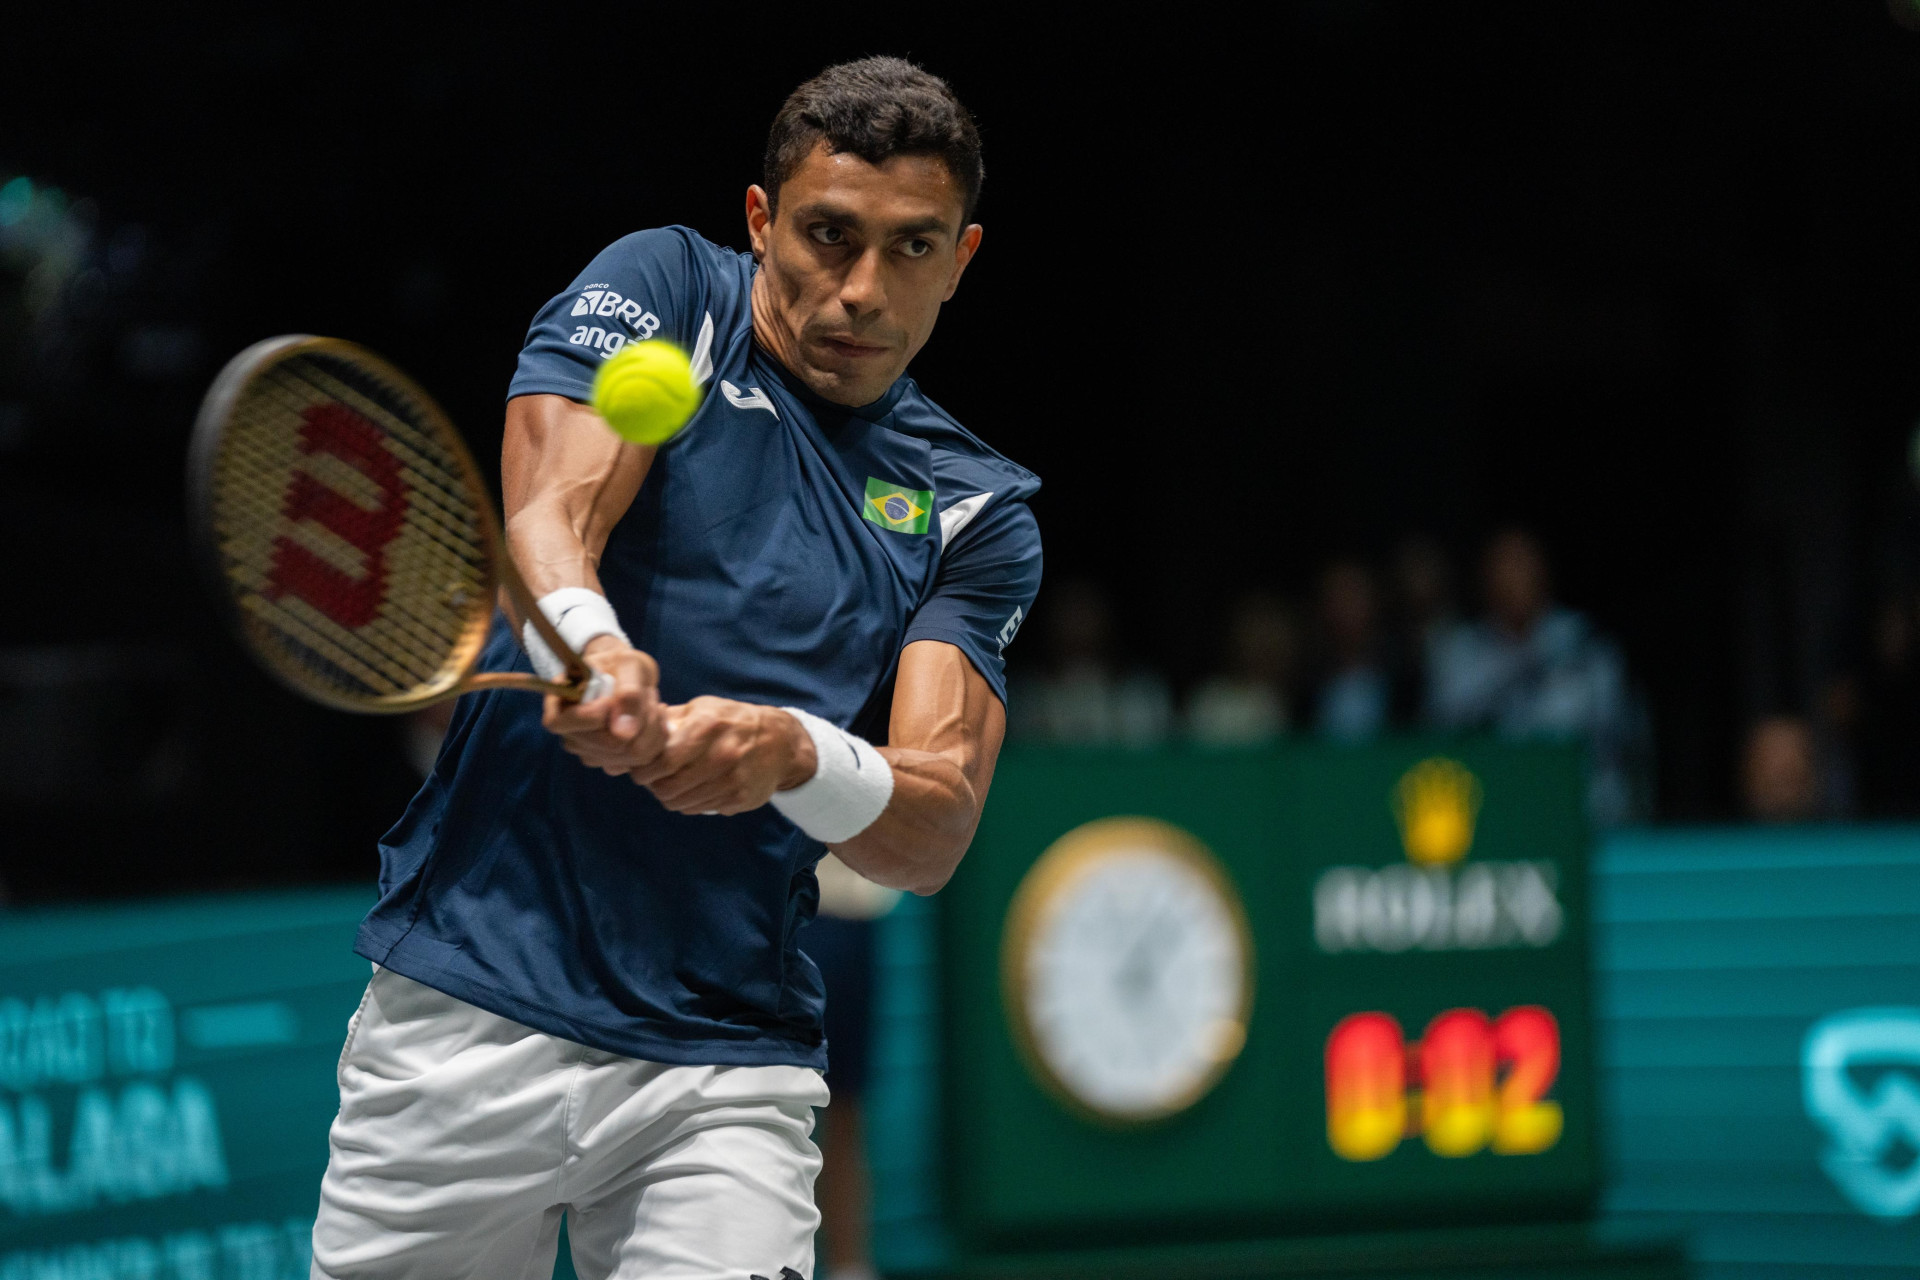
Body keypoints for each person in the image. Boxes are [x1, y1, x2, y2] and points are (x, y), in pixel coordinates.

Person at [310, 58, 1042, 1280]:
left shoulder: (974, 508)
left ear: (963, 259)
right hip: (470, 1001)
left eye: (912, 249)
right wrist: (600, 655)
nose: (862, 290)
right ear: (761, 222)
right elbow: (551, 519)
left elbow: (929, 832)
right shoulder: (665, 291)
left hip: (724, 1057)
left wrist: (793, 752)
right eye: (827, 235)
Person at [1426, 529, 1642, 823]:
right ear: (1484, 578)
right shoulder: (1459, 653)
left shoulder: (1585, 643)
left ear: (1543, 571)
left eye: (1523, 563)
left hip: (1583, 816)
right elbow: (1444, 742)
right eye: (1503, 565)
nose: (1514, 576)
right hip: (1493, 817)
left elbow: (1615, 739)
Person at [1008, 579, 1172, 746]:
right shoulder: (1026, 700)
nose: (1078, 627)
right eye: (1069, 615)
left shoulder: (1140, 696)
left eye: (1086, 614)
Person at [1184, 590, 1298, 745]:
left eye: (1272, 634)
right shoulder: (1210, 701)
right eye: (1255, 634)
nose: (1264, 644)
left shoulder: (1306, 700)